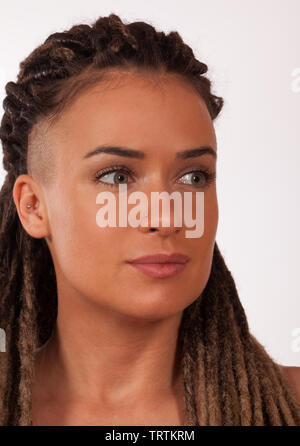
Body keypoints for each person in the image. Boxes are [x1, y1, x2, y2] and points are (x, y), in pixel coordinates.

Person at [0, 13, 299, 426]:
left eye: (194, 177)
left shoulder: (288, 407)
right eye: (117, 177)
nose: (166, 215)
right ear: (33, 206)